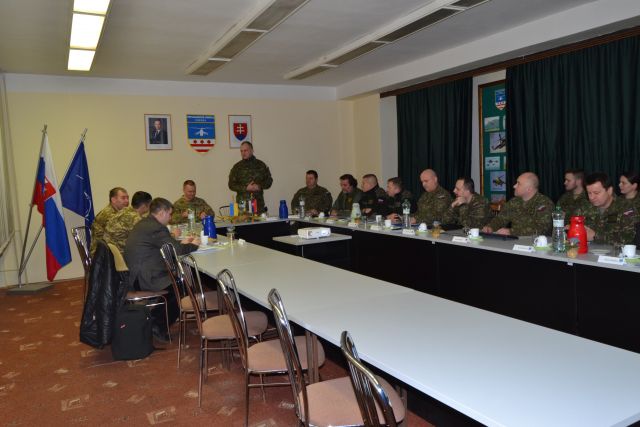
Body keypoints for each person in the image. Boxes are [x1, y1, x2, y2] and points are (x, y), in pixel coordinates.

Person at [124, 198, 200, 342]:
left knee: (179, 283)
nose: (170, 218)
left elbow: (166, 245)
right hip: (145, 277)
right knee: (182, 287)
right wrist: (194, 245)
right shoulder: (156, 227)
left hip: (136, 273)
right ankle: (158, 324)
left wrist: (179, 243)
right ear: (162, 212)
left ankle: (156, 318)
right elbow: (175, 251)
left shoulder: (145, 223)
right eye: (170, 214)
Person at [482, 172, 554, 236]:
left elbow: (541, 229)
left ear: (528, 189)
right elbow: (500, 219)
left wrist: (511, 232)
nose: (514, 186)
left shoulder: (544, 203)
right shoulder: (514, 201)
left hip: (537, 243)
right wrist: (490, 227)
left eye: (518, 184)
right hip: (515, 241)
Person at [575, 173, 637, 244]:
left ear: (609, 191)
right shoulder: (584, 207)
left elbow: (629, 238)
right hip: (587, 249)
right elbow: (574, 234)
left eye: (596, 193)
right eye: (589, 193)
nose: (592, 197)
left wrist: (595, 236)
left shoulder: (626, 208)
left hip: (614, 251)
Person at [228, 141, 273, 213]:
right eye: (241, 151)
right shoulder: (237, 167)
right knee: (243, 220)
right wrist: (246, 188)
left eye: (245, 150)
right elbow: (231, 185)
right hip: (242, 207)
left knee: (259, 221)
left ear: (252, 150)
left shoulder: (261, 165)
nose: (243, 153)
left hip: (258, 206)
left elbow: (269, 181)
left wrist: (259, 186)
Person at [90, 187, 129, 255]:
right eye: (123, 198)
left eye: (127, 198)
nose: (127, 201)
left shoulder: (118, 213)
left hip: (108, 250)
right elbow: (118, 237)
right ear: (113, 200)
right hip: (102, 254)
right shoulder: (109, 215)